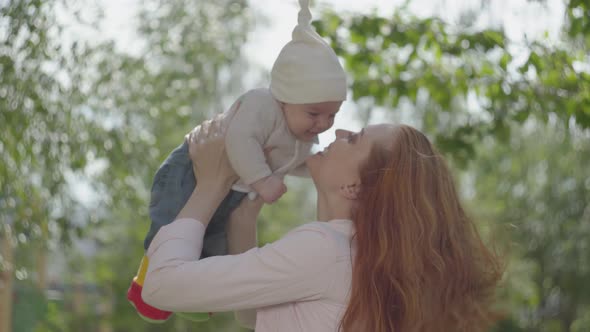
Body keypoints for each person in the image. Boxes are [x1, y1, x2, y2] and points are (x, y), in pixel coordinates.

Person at [141, 116, 504, 332]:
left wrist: (210, 185)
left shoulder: (324, 249)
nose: (341, 131)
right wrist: (244, 210)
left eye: (356, 138)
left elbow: (160, 286)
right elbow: (253, 315)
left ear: (354, 187)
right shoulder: (354, 257)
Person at [126, 0, 348, 323]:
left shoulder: (300, 133)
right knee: (172, 224)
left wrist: (313, 166)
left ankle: (196, 296)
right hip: (189, 171)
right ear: (285, 96)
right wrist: (263, 180)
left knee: (213, 240)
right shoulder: (263, 106)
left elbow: (302, 161)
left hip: (229, 189)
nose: (325, 125)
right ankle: (146, 277)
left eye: (333, 114)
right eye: (315, 113)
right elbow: (239, 141)